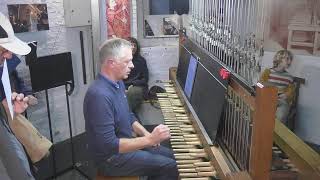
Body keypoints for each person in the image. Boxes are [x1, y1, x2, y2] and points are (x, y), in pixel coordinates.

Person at [83, 38, 178, 180]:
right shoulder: (99, 96)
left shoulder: (118, 83)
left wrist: (146, 134)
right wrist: (151, 140)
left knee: (173, 157)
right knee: (170, 166)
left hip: (124, 145)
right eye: (127, 61)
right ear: (111, 63)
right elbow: (109, 145)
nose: (132, 65)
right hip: (111, 159)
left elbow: (128, 114)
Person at [0, 12, 34, 179]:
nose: (9, 55)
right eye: (3, 51)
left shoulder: (4, 66)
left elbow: (17, 85)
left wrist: (9, 105)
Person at [260, 49, 295, 123]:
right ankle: (264, 130)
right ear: (279, 59)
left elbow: (290, 91)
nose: (289, 62)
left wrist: (286, 95)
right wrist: (264, 90)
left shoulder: (289, 77)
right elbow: (259, 84)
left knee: (281, 116)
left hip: (281, 100)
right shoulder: (268, 72)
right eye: (287, 59)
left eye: (290, 59)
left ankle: (276, 132)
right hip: (268, 98)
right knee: (264, 113)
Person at [124, 37, 149, 114]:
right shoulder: (121, 60)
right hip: (124, 86)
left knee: (132, 93)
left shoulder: (141, 61)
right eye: (131, 45)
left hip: (138, 86)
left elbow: (145, 79)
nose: (133, 47)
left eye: (135, 45)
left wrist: (133, 83)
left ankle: (128, 117)